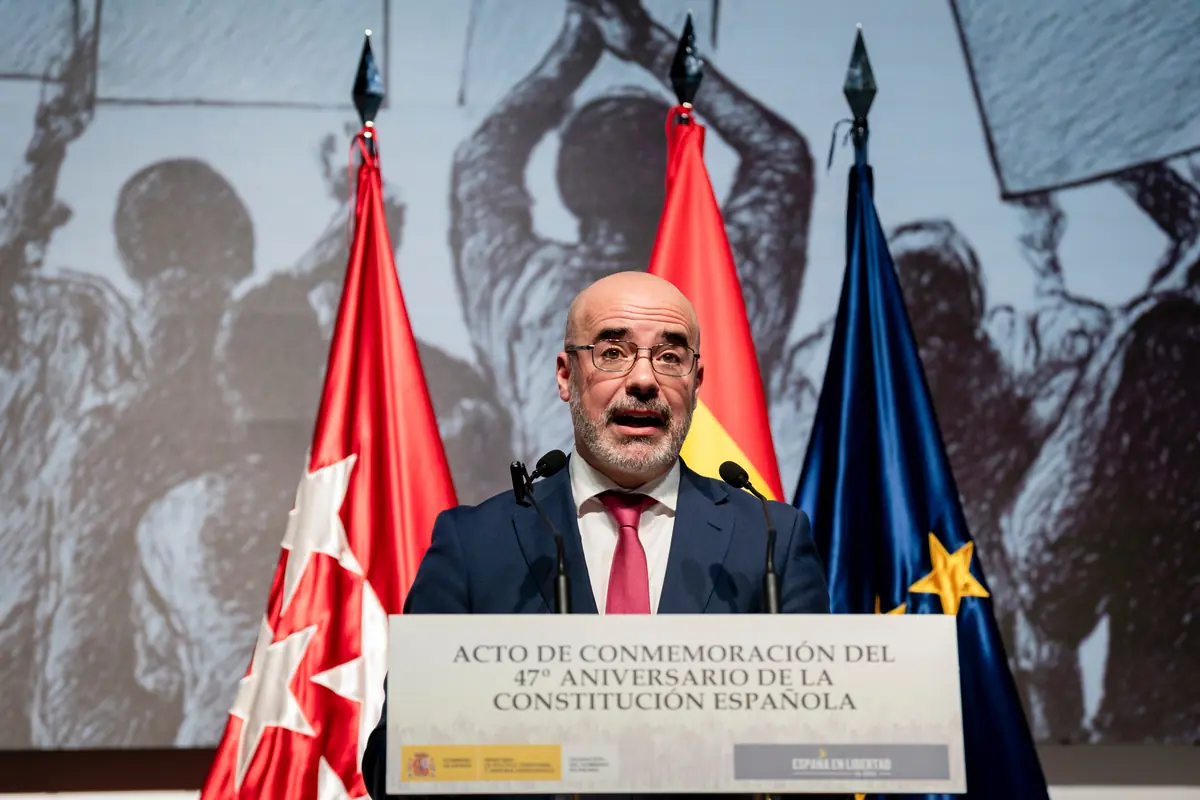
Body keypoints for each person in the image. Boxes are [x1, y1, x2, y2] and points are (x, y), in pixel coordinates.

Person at [361, 271, 832, 799]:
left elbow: (824, 760)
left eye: (670, 358)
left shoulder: (771, 539)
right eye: (613, 352)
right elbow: (393, 766)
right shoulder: (474, 544)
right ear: (566, 375)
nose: (644, 380)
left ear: (696, 385)